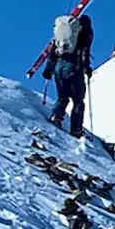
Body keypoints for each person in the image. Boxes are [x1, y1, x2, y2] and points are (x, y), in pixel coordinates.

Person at [43, 8, 94, 138]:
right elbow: (84, 54)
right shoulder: (83, 38)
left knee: (62, 97)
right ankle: (76, 130)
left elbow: (52, 54)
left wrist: (48, 70)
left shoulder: (61, 40)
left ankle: (56, 117)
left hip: (59, 68)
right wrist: (87, 68)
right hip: (74, 69)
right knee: (78, 101)